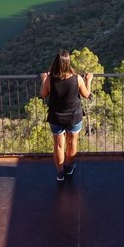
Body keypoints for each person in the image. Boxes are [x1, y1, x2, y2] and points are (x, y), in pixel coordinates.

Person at [40, 50, 93, 182]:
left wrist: (44, 79)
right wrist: (89, 80)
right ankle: (69, 168)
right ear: (68, 62)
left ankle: (60, 173)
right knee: (72, 142)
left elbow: (43, 94)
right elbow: (87, 95)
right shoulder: (77, 78)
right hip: (74, 115)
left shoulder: (50, 79)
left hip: (56, 116)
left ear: (55, 63)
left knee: (58, 145)